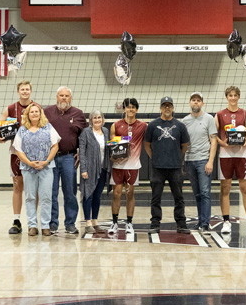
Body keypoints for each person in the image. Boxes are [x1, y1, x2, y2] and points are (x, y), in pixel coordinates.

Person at [0, 80, 38, 235]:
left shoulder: (36, 108)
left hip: (34, 153)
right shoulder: (11, 108)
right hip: (16, 153)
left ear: (30, 91)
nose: (25, 92)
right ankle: (17, 220)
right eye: (22, 89)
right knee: (18, 186)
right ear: (18, 91)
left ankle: (33, 221)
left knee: (33, 188)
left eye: (27, 89)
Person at [144, 96, 191, 233]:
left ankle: (181, 224)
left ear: (173, 107)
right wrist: (154, 157)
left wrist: (178, 159)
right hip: (158, 167)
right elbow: (147, 144)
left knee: (179, 197)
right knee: (155, 197)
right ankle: (155, 223)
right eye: (164, 105)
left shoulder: (180, 126)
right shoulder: (153, 125)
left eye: (169, 105)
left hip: (175, 167)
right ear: (160, 108)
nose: (167, 108)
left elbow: (184, 146)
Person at [44, 86, 86, 236]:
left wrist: (81, 154)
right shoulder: (47, 112)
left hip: (69, 157)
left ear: (71, 98)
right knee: (52, 192)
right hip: (51, 158)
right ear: (56, 97)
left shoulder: (78, 114)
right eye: (61, 95)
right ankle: (53, 223)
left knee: (70, 192)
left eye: (66, 96)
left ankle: (70, 224)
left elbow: (84, 137)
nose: (63, 98)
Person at [14, 103, 61, 237]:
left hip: (46, 168)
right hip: (28, 168)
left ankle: (45, 225)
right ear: (27, 115)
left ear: (41, 114)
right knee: (30, 197)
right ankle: (32, 225)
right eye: (31, 112)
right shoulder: (22, 130)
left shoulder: (48, 128)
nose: (34, 113)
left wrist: (46, 161)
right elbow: (18, 149)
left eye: (37, 111)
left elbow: (55, 146)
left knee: (46, 196)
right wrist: (29, 162)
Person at [215, 86, 246, 233]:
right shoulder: (219, 114)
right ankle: (226, 221)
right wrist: (222, 143)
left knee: (245, 188)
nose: (232, 98)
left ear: (239, 97)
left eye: (235, 95)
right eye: (230, 95)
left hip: (242, 155)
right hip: (225, 155)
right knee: (225, 188)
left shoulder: (245, 114)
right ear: (226, 97)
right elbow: (214, 135)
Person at [109, 97, 147, 234]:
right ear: (124, 109)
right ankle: (114, 223)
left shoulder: (143, 126)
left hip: (133, 166)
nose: (130, 109)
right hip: (118, 167)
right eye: (128, 107)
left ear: (136, 110)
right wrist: (114, 156)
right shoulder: (116, 125)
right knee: (116, 195)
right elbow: (113, 144)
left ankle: (129, 223)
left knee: (130, 194)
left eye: (133, 107)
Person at [182, 92, 217, 233]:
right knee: (197, 194)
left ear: (202, 103)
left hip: (203, 160)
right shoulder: (185, 121)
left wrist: (210, 161)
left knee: (205, 192)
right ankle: (200, 221)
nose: (195, 102)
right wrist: (182, 161)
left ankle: (205, 223)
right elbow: (183, 143)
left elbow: (213, 140)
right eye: (193, 100)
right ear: (190, 103)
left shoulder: (209, 119)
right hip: (190, 160)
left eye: (198, 100)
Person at [79, 110, 111, 234]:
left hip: (103, 168)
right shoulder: (86, 133)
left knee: (97, 196)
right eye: (95, 118)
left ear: (102, 119)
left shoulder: (106, 131)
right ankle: (87, 223)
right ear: (91, 120)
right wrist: (83, 170)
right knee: (88, 195)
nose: (97, 120)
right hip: (89, 169)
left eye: (99, 117)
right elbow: (82, 152)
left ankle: (95, 222)